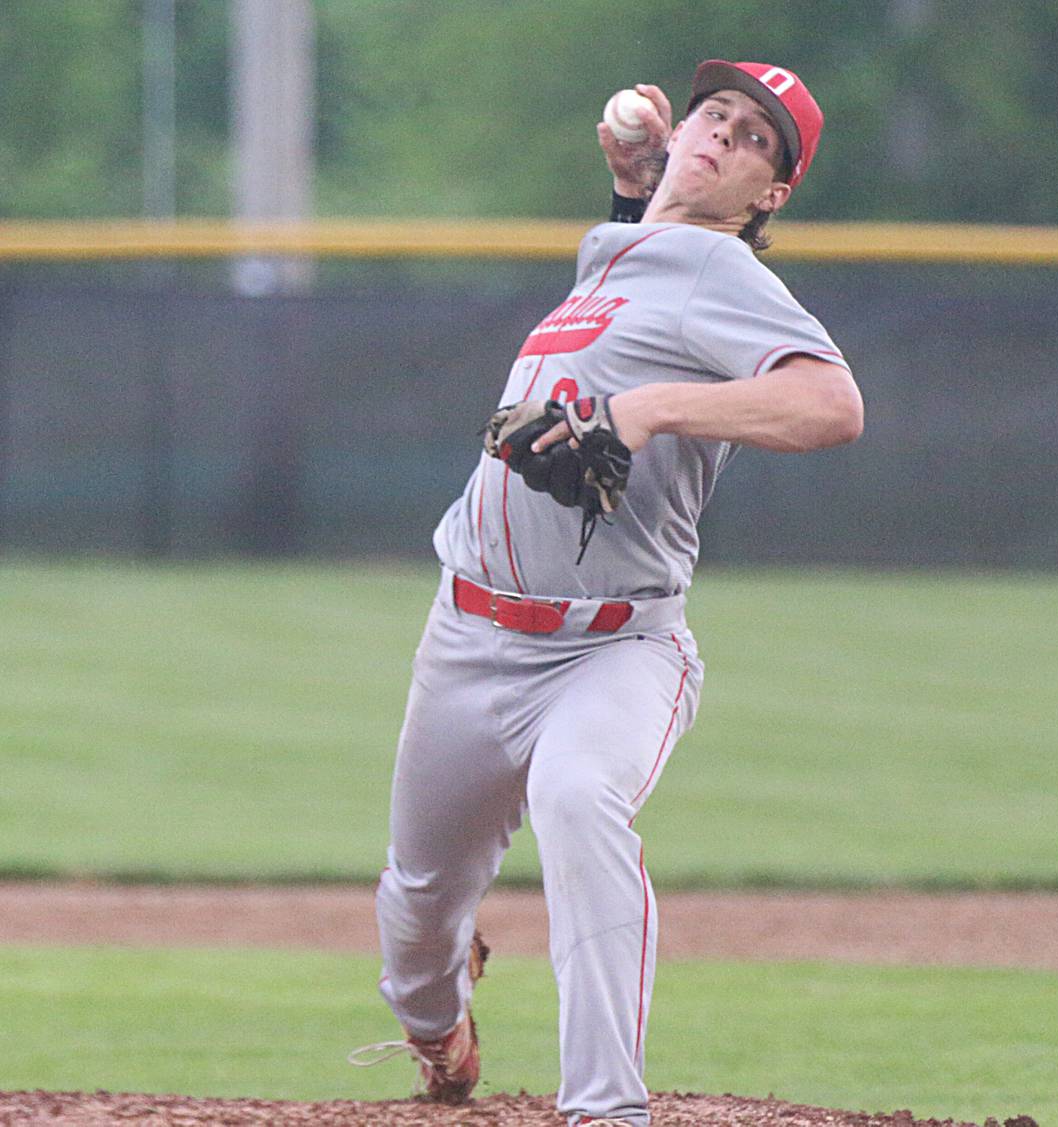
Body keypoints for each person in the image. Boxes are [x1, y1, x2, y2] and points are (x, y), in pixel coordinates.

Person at [348, 59, 863, 1127]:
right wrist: (635, 192)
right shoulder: (627, 251)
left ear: (770, 196)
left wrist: (650, 410)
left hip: (613, 647)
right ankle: (440, 1035)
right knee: (415, 913)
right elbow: (650, 271)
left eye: (755, 139)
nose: (723, 133)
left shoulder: (722, 275)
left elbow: (831, 403)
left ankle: (605, 1111)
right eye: (714, 114)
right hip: (471, 632)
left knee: (580, 798)